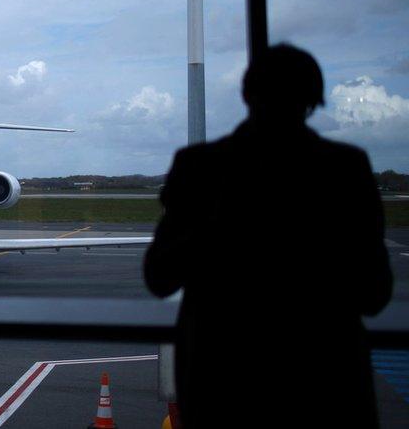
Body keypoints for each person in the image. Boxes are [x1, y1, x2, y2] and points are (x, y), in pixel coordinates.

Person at [144, 44, 392, 428]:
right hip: (328, 376)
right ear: (315, 99)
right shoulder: (346, 168)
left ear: (246, 96)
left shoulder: (199, 167)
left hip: (223, 377)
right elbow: (375, 292)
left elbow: (160, 277)